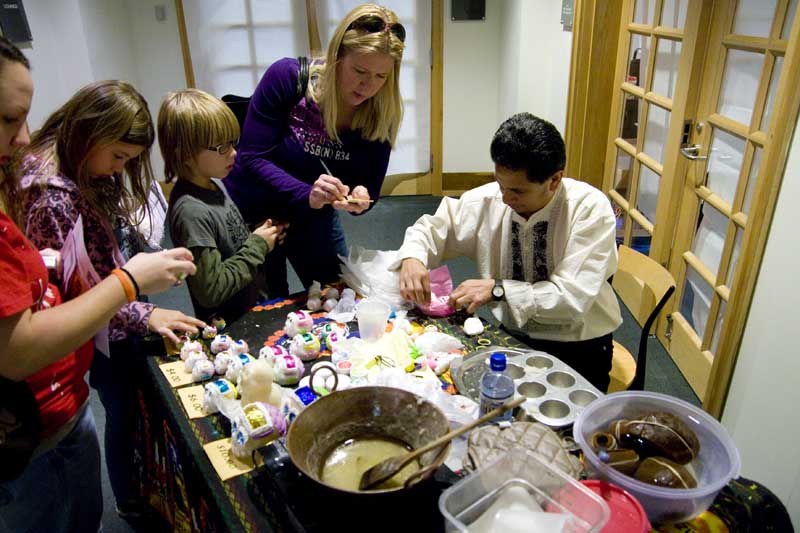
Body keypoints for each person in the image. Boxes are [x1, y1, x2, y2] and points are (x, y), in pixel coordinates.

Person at [0, 36, 198, 532]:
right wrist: (134, 293)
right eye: (117, 156)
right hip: (46, 406)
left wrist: (136, 297)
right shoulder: (49, 198)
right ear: (89, 134)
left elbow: (84, 273)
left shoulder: (71, 174)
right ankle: (131, 502)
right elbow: (71, 298)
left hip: (69, 387)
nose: (121, 169)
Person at [397, 113, 622, 391]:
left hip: (577, 344)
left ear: (554, 181)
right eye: (500, 184)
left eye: (517, 191)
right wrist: (413, 258)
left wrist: (498, 289)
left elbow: (571, 300)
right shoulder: (492, 198)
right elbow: (433, 229)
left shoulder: (588, 210)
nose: (505, 198)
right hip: (512, 335)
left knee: (561, 430)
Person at [224, 3, 406, 295]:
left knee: (338, 295)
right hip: (255, 206)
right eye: (359, 70)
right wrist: (306, 193)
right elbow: (251, 157)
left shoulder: (381, 112)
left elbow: (369, 188)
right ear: (337, 56)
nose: (368, 86)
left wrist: (360, 198)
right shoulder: (287, 77)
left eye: (380, 77)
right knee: (265, 306)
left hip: (312, 208)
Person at [159, 89, 286, 322]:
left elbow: (226, 243)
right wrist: (257, 245)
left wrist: (257, 233)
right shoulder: (191, 212)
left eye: (232, 143)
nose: (234, 153)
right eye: (221, 148)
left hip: (251, 311)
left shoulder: (216, 184)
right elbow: (211, 290)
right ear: (185, 153)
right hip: (231, 328)